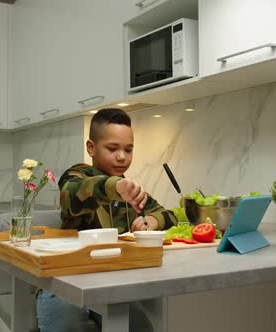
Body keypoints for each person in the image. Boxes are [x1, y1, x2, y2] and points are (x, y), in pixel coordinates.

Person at [36, 108, 178, 332]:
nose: (122, 156)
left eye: (128, 149)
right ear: (91, 147)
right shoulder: (77, 176)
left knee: (143, 327)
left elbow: (169, 216)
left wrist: (151, 220)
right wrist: (114, 186)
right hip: (66, 280)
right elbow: (73, 195)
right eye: (112, 148)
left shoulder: (128, 188)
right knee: (66, 322)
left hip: (111, 282)